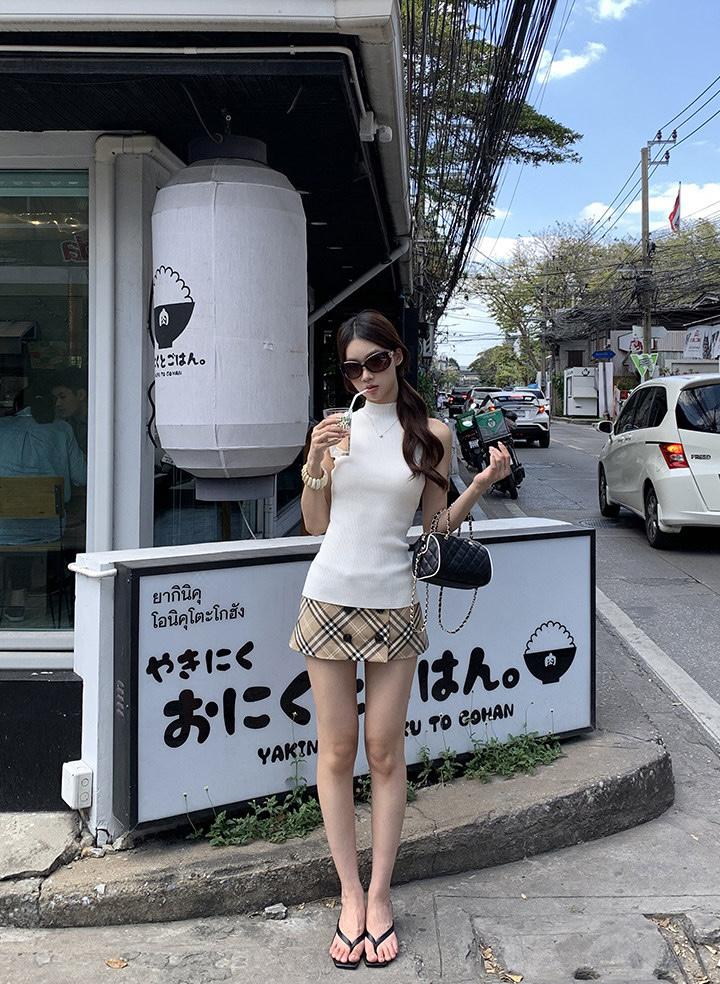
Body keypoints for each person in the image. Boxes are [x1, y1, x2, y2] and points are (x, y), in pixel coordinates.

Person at [289, 310, 511, 969]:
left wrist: (480, 485)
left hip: (394, 601)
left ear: (398, 357)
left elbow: (434, 527)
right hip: (328, 595)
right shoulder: (335, 430)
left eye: (376, 361)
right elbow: (315, 526)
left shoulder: (430, 435)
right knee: (336, 752)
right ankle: (349, 894)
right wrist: (315, 461)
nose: (366, 376)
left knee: (384, 753)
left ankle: (381, 894)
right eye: (352, 367)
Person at [0, 385, 86, 622]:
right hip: (49, 529)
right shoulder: (62, 429)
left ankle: (16, 598)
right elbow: (82, 477)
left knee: (16, 528)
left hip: (2, 528)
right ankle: (71, 593)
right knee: (78, 528)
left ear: (17, 406)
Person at [51, 367, 88, 456]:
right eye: (55, 399)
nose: (57, 403)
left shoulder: (99, 425)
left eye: (63, 397)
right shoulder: (63, 424)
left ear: (81, 395)